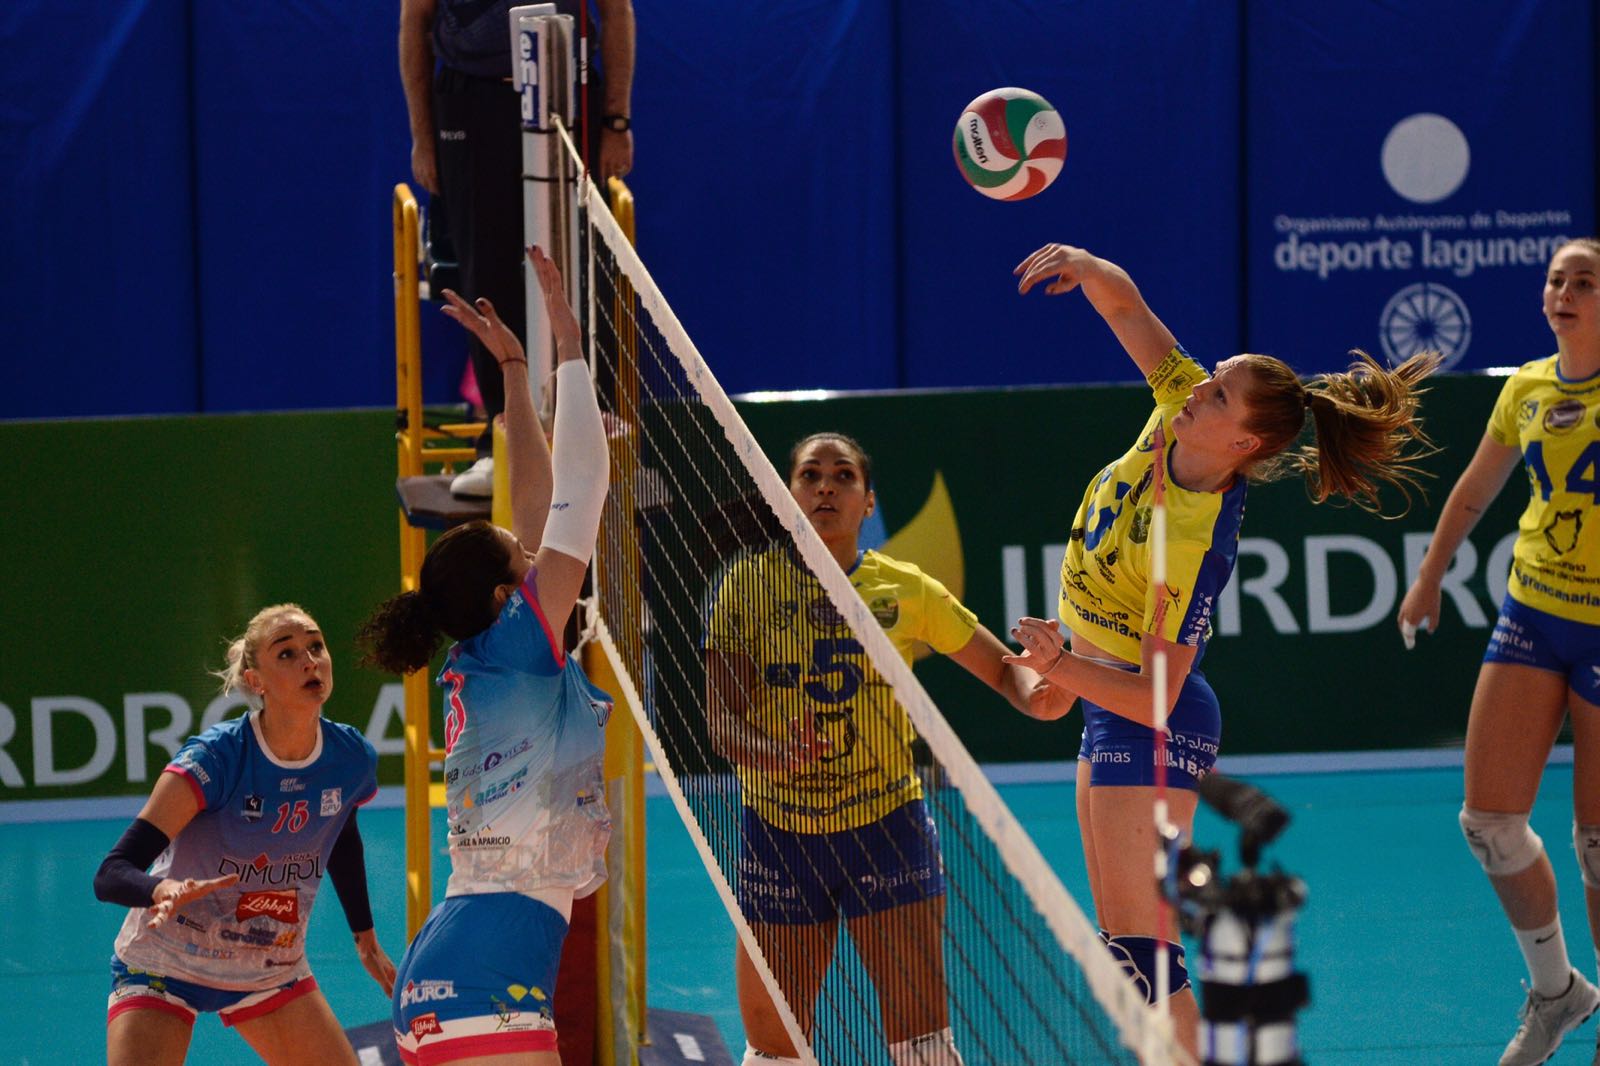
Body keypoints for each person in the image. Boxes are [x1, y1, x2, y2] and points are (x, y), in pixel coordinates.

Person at [1002, 243, 1437, 1055]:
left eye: (1219, 394)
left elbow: (1156, 699)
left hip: (1151, 723)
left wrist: (1061, 666)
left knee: (1141, 957)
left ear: (1244, 444)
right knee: (1130, 952)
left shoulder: (1192, 539)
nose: (1198, 388)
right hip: (1106, 706)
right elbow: (1127, 308)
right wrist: (1091, 266)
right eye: (1210, 381)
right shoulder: (1180, 408)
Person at [704, 431, 1059, 1066]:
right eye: (811, 475)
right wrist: (774, 752)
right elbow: (721, 723)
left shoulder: (906, 588)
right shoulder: (745, 587)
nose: (826, 487)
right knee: (773, 1050)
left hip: (886, 826)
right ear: (788, 493)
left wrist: (1047, 688)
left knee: (923, 1050)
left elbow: (1010, 675)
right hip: (780, 831)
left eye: (844, 476)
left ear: (868, 502)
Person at [359, 246, 611, 1065]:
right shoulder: (515, 649)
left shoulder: (491, 654)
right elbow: (581, 489)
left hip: (463, 965)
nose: (533, 555)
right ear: (510, 595)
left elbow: (536, 508)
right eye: (522, 559)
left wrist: (513, 369)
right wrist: (570, 348)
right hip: (485, 977)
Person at [1399, 238, 1600, 1065]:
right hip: (1535, 610)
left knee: (1598, 847)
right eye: (1555, 280)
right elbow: (1476, 489)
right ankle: (1558, 994)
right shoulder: (1526, 386)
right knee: (1489, 824)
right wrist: (1429, 577)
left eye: (1583, 281)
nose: (1564, 293)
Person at [94, 604, 394, 1066]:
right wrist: (161, 889)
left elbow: (340, 832)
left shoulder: (351, 757)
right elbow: (111, 872)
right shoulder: (217, 758)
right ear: (256, 681)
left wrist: (364, 936)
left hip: (269, 969)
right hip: (164, 964)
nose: (309, 661)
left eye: (316, 646)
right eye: (287, 653)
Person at [399, 0, 636, 498]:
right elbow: (414, 22)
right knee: (486, 274)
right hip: (470, 102)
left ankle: (582, 437)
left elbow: (616, 12)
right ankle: (500, 442)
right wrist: (423, 138)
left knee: (575, 276)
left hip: (566, 94)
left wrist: (616, 121)